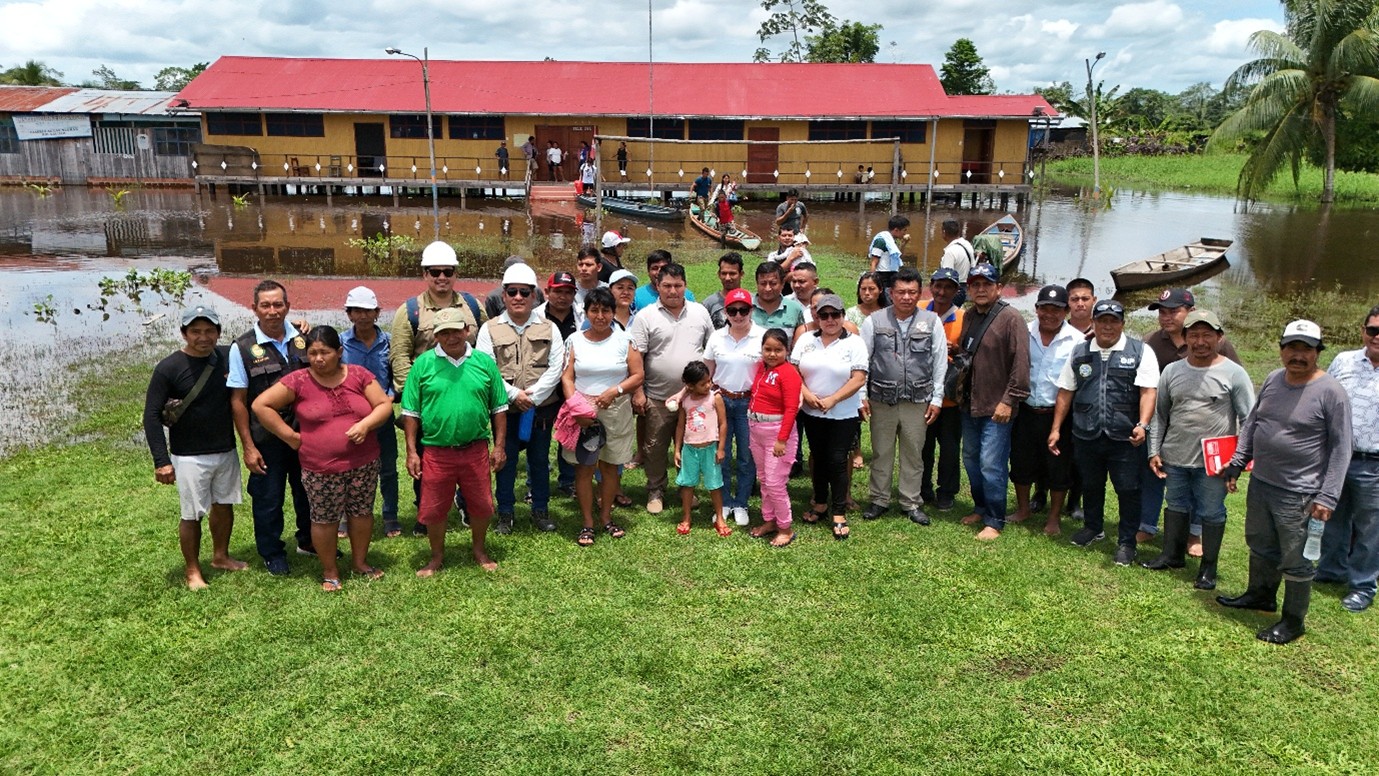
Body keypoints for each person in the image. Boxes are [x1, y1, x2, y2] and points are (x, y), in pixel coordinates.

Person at [1217, 320, 1351, 644]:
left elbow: (1341, 447)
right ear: (1281, 350)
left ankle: (1293, 621)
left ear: (1318, 353)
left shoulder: (1331, 392)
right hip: (1262, 482)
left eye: (1306, 349)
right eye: (1292, 347)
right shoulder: (1274, 379)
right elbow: (1253, 422)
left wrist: (1328, 497)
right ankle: (1260, 595)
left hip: (1301, 493)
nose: (1298, 355)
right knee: (1260, 544)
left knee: (1297, 558)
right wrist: (1238, 461)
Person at [252, 326, 394, 590]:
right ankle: (330, 571)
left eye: (325, 352)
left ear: (339, 352)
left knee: (361, 512)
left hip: (363, 462)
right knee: (324, 518)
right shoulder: (299, 380)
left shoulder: (359, 375)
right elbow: (261, 405)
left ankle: (360, 562)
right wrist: (289, 436)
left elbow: (384, 404)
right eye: (313, 353)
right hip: (320, 467)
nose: (318, 358)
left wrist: (365, 425)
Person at [1143, 310, 1255, 589]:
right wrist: (1153, 450)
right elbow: (1160, 414)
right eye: (1194, 335)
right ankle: (1171, 555)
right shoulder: (1172, 371)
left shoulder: (1234, 373)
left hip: (1214, 464)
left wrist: (1239, 460)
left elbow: (1250, 420)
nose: (1200, 341)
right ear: (1186, 338)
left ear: (1219, 337)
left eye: (1207, 335)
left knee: (1211, 511)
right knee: (1176, 504)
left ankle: (1208, 568)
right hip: (1175, 456)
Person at [143, 305, 247, 589]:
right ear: (184, 334)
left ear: (218, 333)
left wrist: (300, 327)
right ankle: (192, 571)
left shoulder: (227, 357)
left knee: (224, 505)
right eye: (196, 332)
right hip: (189, 456)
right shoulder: (169, 367)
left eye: (209, 331)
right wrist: (161, 461)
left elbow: (256, 341)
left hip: (225, 449)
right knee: (191, 514)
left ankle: (221, 556)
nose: (203, 337)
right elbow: (151, 416)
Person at [1049, 300, 1159, 565]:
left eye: (1113, 321)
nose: (1107, 327)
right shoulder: (1080, 351)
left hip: (1125, 438)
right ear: (1094, 323)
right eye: (1102, 321)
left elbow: (1148, 391)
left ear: (1122, 323)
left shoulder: (1140, 351)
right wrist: (1055, 429)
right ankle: (1093, 527)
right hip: (1087, 434)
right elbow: (1066, 391)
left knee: (1128, 489)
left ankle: (1126, 542)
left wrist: (1143, 424)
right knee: (1091, 484)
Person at [400, 307, 509, 576]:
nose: (451, 337)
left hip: (475, 449)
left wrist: (499, 445)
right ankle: (436, 557)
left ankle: (479, 550)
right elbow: (410, 413)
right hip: (436, 450)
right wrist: (412, 451)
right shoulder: (423, 365)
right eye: (444, 333)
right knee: (434, 508)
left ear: (467, 330)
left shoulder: (484, 363)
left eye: (456, 331)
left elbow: (499, 407)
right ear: (436, 336)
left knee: (481, 504)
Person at [390, 240, 484, 536]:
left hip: (467, 392)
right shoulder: (409, 312)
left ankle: (469, 506)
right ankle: (425, 512)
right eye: (435, 272)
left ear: (456, 272)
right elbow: (400, 356)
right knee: (425, 458)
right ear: (424, 273)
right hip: (427, 399)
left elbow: (484, 349)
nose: (441, 278)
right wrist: (412, 403)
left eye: (447, 271)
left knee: (470, 455)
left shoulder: (471, 306)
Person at [1138, 287, 1243, 552]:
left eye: (1174, 311)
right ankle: (1147, 525)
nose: (1166, 317)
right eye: (1162, 312)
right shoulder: (1151, 341)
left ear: (1190, 311)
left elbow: (1234, 383)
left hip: (1207, 427)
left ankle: (1195, 534)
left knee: (1202, 481)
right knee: (1156, 476)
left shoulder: (1214, 342)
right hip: (1166, 422)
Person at [227, 280, 312, 575]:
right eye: (266, 305)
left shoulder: (303, 338)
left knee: (309, 491)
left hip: (304, 436)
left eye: (278, 305)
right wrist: (248, 447)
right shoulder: (242, 348)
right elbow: (238, 401)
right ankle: (272, 552)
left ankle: (309, 540)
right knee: (268, 499)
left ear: (288, 307)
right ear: (254, 309)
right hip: (266, 440)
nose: (273, 311)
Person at [476, 262, 566, 535]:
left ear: (534, 296)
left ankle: (540, 509)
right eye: (512, 292)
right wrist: (515, 394)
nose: (518, 297)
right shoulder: (488, 329)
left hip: (540, 410)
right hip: (505, 409)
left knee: (539, 460)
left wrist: (534, 397)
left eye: (524, 292)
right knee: (505, 460)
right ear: (503, 295)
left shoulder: (550, 328)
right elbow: (487, 368)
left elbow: (556, 366)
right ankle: (505, 513)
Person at [859, 267, 947, 526]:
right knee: (881, 451)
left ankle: (911, 502)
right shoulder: (874, 321)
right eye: (901, 292)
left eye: (912, 292)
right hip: (882, 399)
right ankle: (879, 499)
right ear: (890, 293)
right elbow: (863, 361)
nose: (906, 297)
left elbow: (940, 361)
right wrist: (862, 394)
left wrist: (937, 397)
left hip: (918, 400)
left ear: (920, 293)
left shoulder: (932, 321)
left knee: (913, 453)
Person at [629, 263, 715, 514]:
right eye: (667, 286)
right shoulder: (646, 316)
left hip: (694, 397)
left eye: (678, 286)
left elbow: (711, 350)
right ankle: (656, 490)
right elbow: (637, 357)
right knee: (655, 446)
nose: (673, 291)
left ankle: (685, 487)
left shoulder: (700, 313)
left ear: (685, 286)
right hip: (657, 395)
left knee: (691, 444)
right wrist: (638, 391)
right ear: (658, 286)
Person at [562, 287, 644, 545]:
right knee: (585, 468)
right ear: (586, 313)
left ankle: (606, 517)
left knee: (610, 468)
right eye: (594, 310)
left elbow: (637, 375)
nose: (600, 316)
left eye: (605, 310)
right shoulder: (574, 340)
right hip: (583, 412)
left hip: (616, 409)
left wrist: (615, 391)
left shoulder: (626, 340)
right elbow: (567, 376)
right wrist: (577, 408)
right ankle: (587, 522)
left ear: (613, 312)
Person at [956, 263, 1029, 542]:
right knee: (971, 458)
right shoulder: (969, 316)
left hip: (997, 406)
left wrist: (1009, 400)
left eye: (987, 284)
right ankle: (980, 506)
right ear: (969, 289)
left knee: (991, 463)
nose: (981, 289)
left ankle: (995, 519)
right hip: (970, 403)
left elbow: (1021, 364)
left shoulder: (1011, 318)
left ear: (999, 288)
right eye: (976, 284)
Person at [1318, 305, 1379, 612]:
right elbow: (1324, 396)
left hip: (1375, 463)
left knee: (1370, 527)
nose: (1377, 336)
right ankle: (1330, 570)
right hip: (1337, 456)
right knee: (1333, 517)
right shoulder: (1344, 361)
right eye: (1373, 330)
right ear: (1363, 331)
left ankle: (1363, 585)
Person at [793, 293, 869, 540]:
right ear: (817, 317)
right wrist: (807, 394)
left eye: (835, 314)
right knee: (817, 456)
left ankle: (838, 511)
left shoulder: (854, 342)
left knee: (837, 460)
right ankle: (820, 503)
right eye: (823, 315)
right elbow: (793, 371)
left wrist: (832, 399)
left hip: (843, 414)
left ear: (842, 316)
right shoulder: (805, 339)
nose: (829, 319)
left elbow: (859, 377)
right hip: (812, 411)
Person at [1009, 285, 1081, 537]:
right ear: (1036, 308)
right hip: (1026, 410)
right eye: (1044, 309)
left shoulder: (1077, 341)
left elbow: (1071, 386)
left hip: (1058, 414)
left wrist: (1057, 427)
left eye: (1057, 310)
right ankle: (1023, 508)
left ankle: (1053, 518)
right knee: (1020, 461)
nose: (1050, 314)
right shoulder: (1023, 332)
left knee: (1058, 467)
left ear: (1066, 311)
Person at [340, 286, 400, 539]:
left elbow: (397, 374)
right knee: (347, 469)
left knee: (387, 469)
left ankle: (390, 516)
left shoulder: (389, 342)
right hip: (350, 417)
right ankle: (345, 517)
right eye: (357, 311)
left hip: (382, 415)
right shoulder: (340, 343)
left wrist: (390, 396)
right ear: (349, 314)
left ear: (377, 313)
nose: (363, 316)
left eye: (368, 311)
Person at [703, 288, 764, 526]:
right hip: (722, 401)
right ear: (725, 312)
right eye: (732, 311)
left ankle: (742, 502)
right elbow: (707, 369)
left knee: (747, 457)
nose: (738, 316)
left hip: (750, 402)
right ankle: (725, 501)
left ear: (751, 310)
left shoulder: (762, 336)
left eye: (743, 310)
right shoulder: (717, 337)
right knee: (722, 454)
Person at [748, 328, 803, 547]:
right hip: (756, 429)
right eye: (767, 349)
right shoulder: (761, 368)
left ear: (787, 350)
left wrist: (782, 439)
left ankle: (785, 528)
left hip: (777, 433)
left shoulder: (789, 373)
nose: (772, 354)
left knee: (774, 482)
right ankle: (769, 520)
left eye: (778, 350)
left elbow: (791, 409)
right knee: (764, 479)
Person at [921, 268, 965, 511]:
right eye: (938, 285)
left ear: (956, 291)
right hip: (921, 393)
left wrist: (955, 350)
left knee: (949, 447)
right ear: (931, 286)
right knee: (922, 445)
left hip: (950, 398)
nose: (942, 291)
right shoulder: (918, 308)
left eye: (948, 287)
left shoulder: (962, 318)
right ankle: (922, 487)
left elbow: (969, 354)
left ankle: (946, 491)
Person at [673, 361, 731, 537]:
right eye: (703, 383)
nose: (708, 385)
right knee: (688, 484)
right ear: (690, 385)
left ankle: (720, 518)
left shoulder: (715, 397)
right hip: (690, 450)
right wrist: (677, 449)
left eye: (709, 381)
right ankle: (686, 517)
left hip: (710, 449)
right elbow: (680, 426)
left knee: (714, 485)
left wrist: (720, 448)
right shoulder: (685, 401)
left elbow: (723, 424)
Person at [751, 260, 806, 346]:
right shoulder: (744, 308)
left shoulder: (794, 309)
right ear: (757, 283)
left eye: (773, 283)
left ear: (782, 284)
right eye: (763, 283)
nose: (767, 288)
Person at [485, 256, 545, 320]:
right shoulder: (494, 297)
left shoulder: (537, 291)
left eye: (525, 293)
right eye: (512, 292)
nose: (518, 297)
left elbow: (543, 312)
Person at [868, 215, 911, 303]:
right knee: (886, 304)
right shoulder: (881, 241)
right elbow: (873, 262)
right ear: (896, 230)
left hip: (892, 276)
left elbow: (899, 256)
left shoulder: (891, 241)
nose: (905, 233)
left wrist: (903, 244)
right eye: (904, 230)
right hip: (883, 277)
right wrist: (872, 282)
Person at [701, 252, 746, 329]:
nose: (727, 278)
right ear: (719, 274)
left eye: (732, 273)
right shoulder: (708, 304)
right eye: (724, 273)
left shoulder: (750, 301)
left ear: (741, 274)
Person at [939, 220, 974, 306]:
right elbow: (972, 265)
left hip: (955, 289)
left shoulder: (950, 252)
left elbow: (946, 276)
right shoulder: (967, 244)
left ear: (944, 232)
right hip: (965, 287)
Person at [574, 247, 604, 314]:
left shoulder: (608, 291)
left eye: (588, 265)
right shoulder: (570, 291)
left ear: (599, 267)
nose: (583, 268)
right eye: (580, 265)